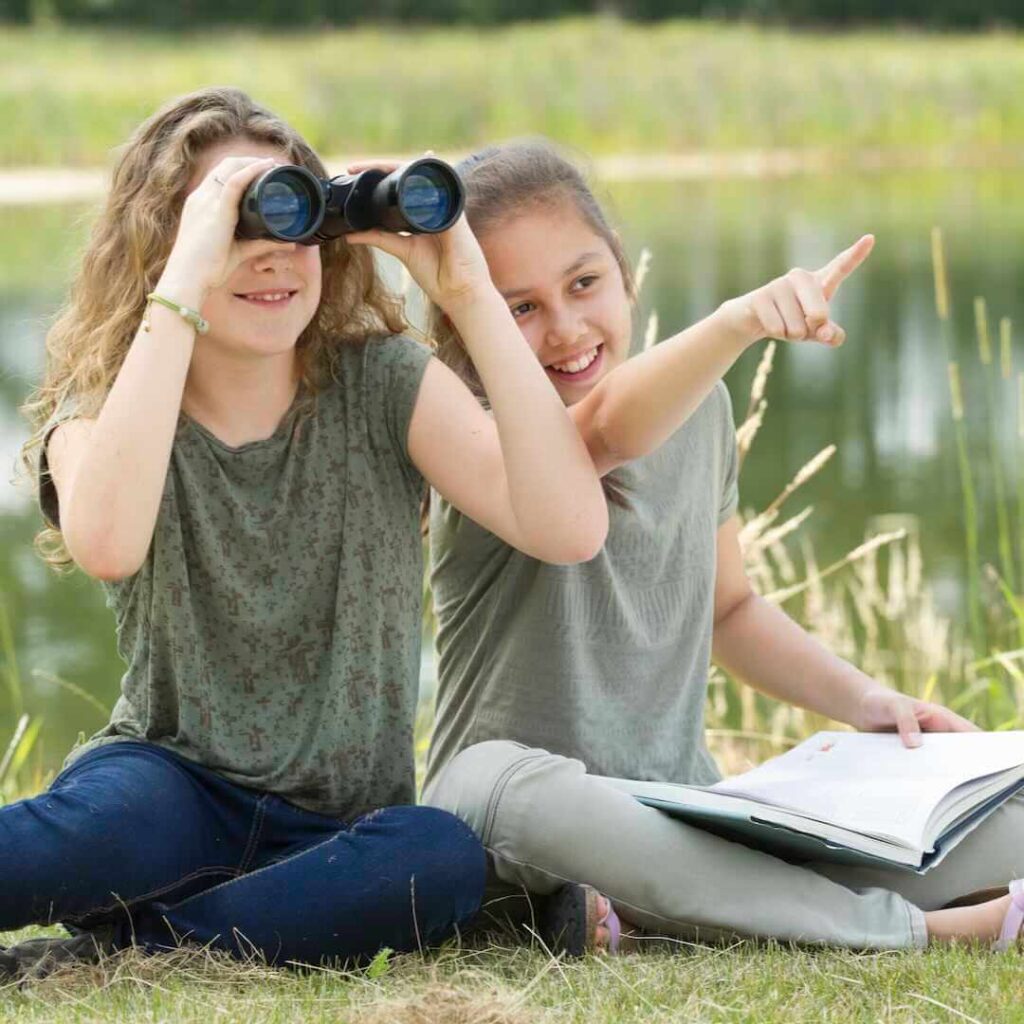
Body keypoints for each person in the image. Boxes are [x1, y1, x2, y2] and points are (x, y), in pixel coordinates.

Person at [9, 93, 609, 973]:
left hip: (338, 827)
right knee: (82, 841)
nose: (272, 258)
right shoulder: (111, 408)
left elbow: (569, 527)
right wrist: (181, 281)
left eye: (291, 218)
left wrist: (471, 294)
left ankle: (119, 952)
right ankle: (207, 927)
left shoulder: (382, 383)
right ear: (163, 248)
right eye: (234, 224)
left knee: (434, 856)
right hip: (164, 790)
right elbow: (106, 542)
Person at [422, 139, 1024, 955]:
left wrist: (869, 703)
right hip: (509, 822)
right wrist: (739, 321)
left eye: (584, 283)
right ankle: (923, 933)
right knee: (505, 785)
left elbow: (730, 608)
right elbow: (601, 430)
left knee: (1007, 816)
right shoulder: (477, 439)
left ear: (624, 274)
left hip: (679, 812)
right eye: (519, 308)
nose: (566, 328)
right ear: (474, 320)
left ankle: (650, 918)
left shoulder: (700, 412)